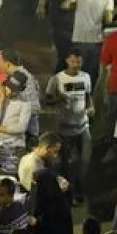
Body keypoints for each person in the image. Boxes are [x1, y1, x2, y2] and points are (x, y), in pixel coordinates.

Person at [47, 49, 95, 200]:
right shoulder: (57, 79)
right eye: (74, 62)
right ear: (67, 61)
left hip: (83, 126)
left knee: (84, 161)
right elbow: (47, 100)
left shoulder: (86, 77)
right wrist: (58, 100)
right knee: (66, 163)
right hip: (65, 129)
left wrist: (91, 107)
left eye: (79, 62)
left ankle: (80, 188)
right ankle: (68, 192)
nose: (77, 65)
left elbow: (88, 96)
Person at [25, 133, 75, 234]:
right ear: (47, 148)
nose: (56, 156)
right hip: (47, 230)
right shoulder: (36, 170)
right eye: (54, 152)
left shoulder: (35, 163)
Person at [69, 0, 115, 83]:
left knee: (77, 69)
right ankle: (88, 96)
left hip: (78, 37)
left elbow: (66, 4)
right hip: (95, 39)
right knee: (91, 72)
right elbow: (109, 20)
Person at [0, 49, 42, 145]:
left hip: (28, 129)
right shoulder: (21, 74)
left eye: (0, 63)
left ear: (7, 64)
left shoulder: (19, 75)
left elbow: (4, 93)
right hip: (26, 124)